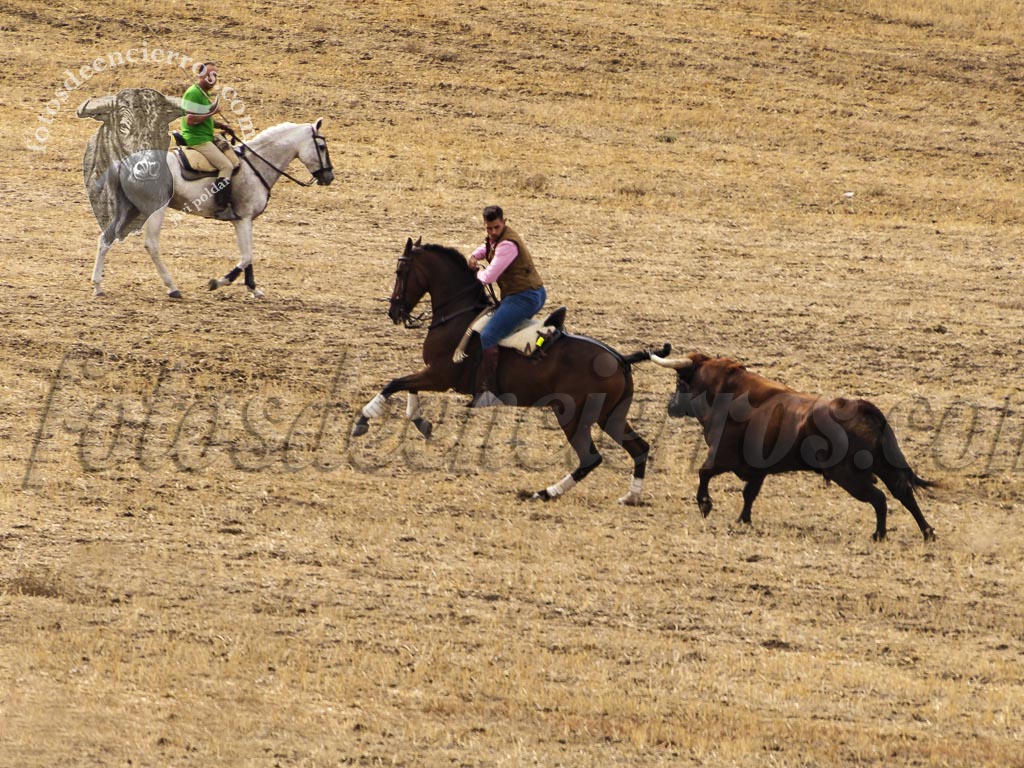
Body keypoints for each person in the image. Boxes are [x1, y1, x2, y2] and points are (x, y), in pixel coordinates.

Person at [467, 205, 547, 407]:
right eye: (489, 228)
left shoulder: (507, 245)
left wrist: (475, 274)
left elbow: (489, 276)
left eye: (496, 227)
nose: (493, 232)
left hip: (524, 297)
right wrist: (474, 256)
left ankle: (491, 390)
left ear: (504, 222)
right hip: (527, 294)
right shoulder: (497, 239)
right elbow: (487, 248)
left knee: (489, 335)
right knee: (507, 329)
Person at [181, 62, 240, 220]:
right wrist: (212, 112)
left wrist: (222, 126)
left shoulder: (203, 93)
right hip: (197, 139)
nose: (212, 79)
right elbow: (190, 120)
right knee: (226, 166)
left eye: (215, 75)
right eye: (209, 75)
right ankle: (221, 207)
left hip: (206, 136)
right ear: (200, 75)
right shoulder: (194, 93)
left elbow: (204, 119)